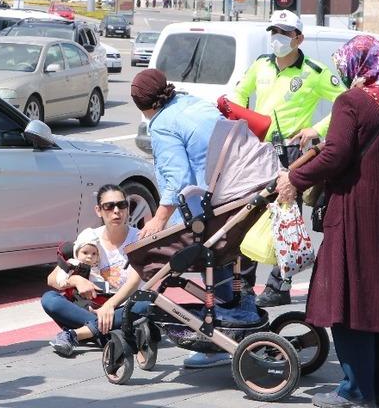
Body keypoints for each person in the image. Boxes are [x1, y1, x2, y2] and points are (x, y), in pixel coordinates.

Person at [276, 35, 379, 408]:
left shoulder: (352, 101)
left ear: (360, 66)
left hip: (357, 212)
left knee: (348, 302)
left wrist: (295, 179)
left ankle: (355, 392)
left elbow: (336, 156)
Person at [230, 9, 346, 308]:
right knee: (250, 213)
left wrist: (316, 128)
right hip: (258, 151)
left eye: (284, 33)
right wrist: (244, 125)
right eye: (274, 32)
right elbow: (239, 94)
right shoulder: (261, 66)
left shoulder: (315, 72)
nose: (277, 38)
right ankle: (242, 285)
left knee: (286, 220)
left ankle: (279, 284)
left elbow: (345, 104)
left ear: (299, 39)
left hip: (292, 153)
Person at [131, 68, 237, 369]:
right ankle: (232, 315)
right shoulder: (192, 103)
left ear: (143, 106)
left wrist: (159, 220)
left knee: (157, 257)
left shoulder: (162, 124)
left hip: (202, 208)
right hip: (230, 195)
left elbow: (176, 177)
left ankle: (213, 340)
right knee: (222, 260)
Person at [41, 185, 149, 357]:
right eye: (109, 206)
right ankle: (106, 332)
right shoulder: (89, 237)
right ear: (98, 210)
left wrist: (109, 306)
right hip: (90, 307)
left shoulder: (139, 239)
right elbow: (52, 279)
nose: (116, 211)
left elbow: (135, 281)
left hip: (123, 305)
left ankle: (77, 334)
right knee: (49, 299)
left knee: (146, 304)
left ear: (127, 209)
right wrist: (76, 280)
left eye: (121, 205)